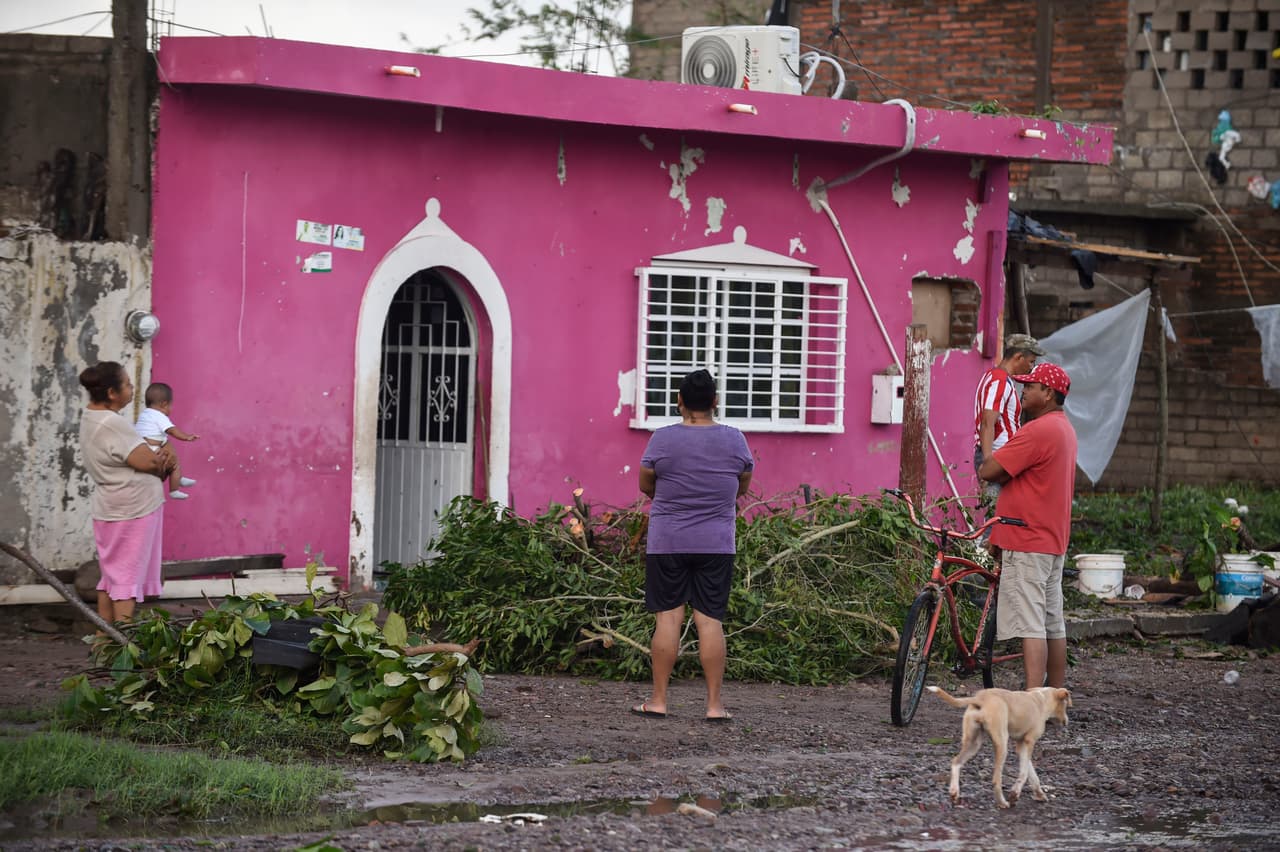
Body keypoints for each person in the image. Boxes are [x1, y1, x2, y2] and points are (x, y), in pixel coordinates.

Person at [634, 369, 753, 722]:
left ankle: (658, 700)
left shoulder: (662, 439)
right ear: (715, 402)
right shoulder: (735, 440)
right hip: (716, 543)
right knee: (710, 621)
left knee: (668, 619)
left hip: (668, 541)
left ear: (680, 401)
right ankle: (715, 706)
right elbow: (742, 485)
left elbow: (645, 484)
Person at [978, 362, 1078, 691]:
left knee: (1031, 623)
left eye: (1030, 386)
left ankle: (1034, 700)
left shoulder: (1037, 430)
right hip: (1051, 538)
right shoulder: (1064, 428)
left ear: (1048, 394)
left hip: (1028, 538)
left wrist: (995, 460)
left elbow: (989, 470)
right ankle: (1056, 699)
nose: (1023, 391)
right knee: (1053, 622)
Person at [79, 362, 176, 624]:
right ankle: (123, 641)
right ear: (112, 392)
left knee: (112, 576)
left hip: (111, 506)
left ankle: (103, 639)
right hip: (133, 508)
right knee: (126, 579)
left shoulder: (91, 417)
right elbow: (149, 463)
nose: (133, 390)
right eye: (128, 385)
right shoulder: (113, 424)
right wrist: (165, 459)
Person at [973, 334, 1045, 507]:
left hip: (1000, 458)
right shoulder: (999, 380)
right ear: (1018, 357)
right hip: (997, 457)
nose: (1032, 367)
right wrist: (988, 462)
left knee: (1003, 515)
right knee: (996, 519)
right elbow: (987, 422)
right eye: (1031, 361)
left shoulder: (997, 378)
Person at [134, 382, 199, 499]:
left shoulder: (144, 414)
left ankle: (178, 478)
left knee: (168, 445)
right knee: (174, 464)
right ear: (164, 404)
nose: (171, 409)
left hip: (144, 447)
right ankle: (174, 489)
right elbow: (172, 430)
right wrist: (186, 437)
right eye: (171, 405)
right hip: (155, 448)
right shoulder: (159, 416)